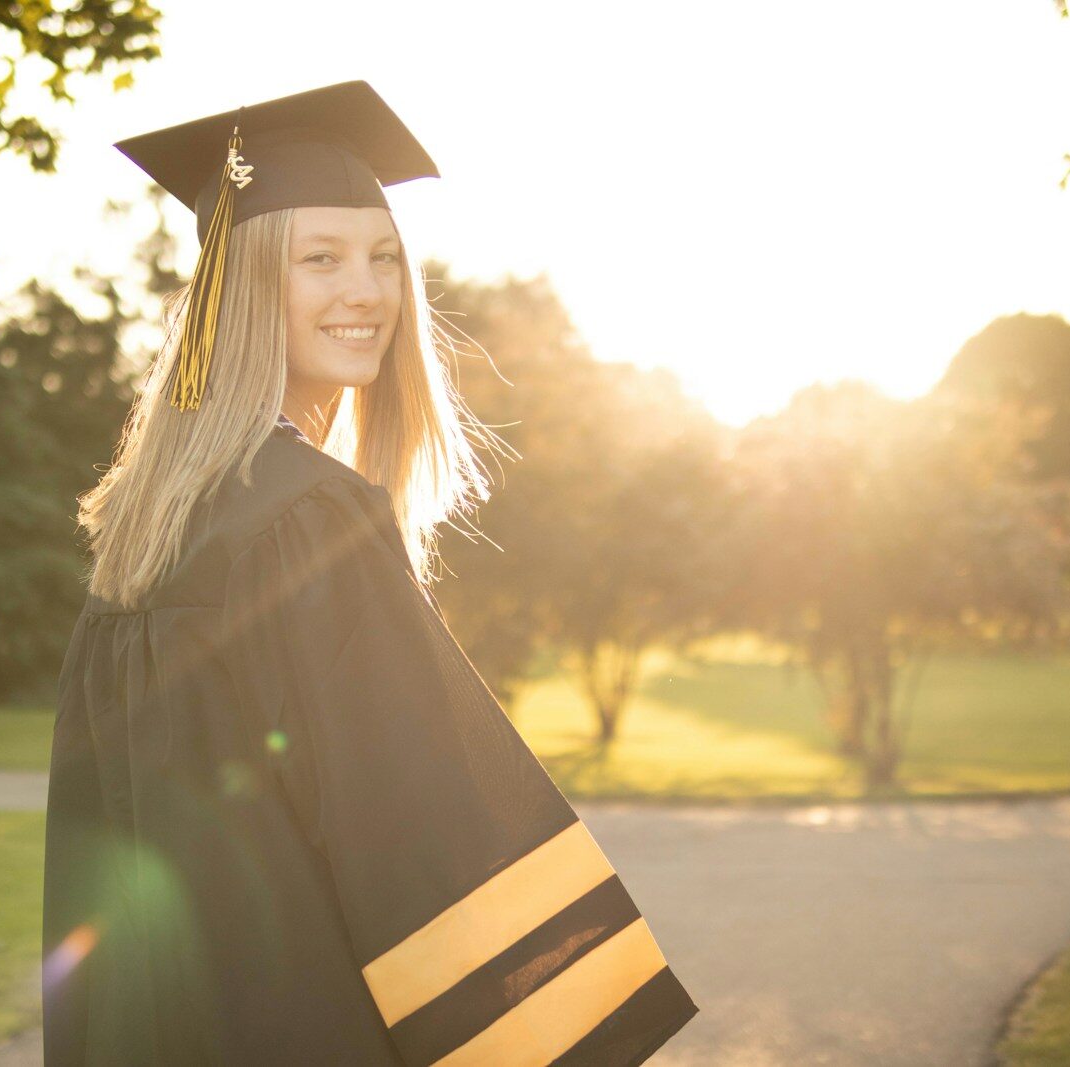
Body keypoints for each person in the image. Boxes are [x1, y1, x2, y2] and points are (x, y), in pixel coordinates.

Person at [42, 80, 699, 1065]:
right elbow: (410, 813)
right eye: (320, 258)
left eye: (385, 259)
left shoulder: (158, 523)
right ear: (245, 286)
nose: (367, 290)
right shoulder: (306, 510)